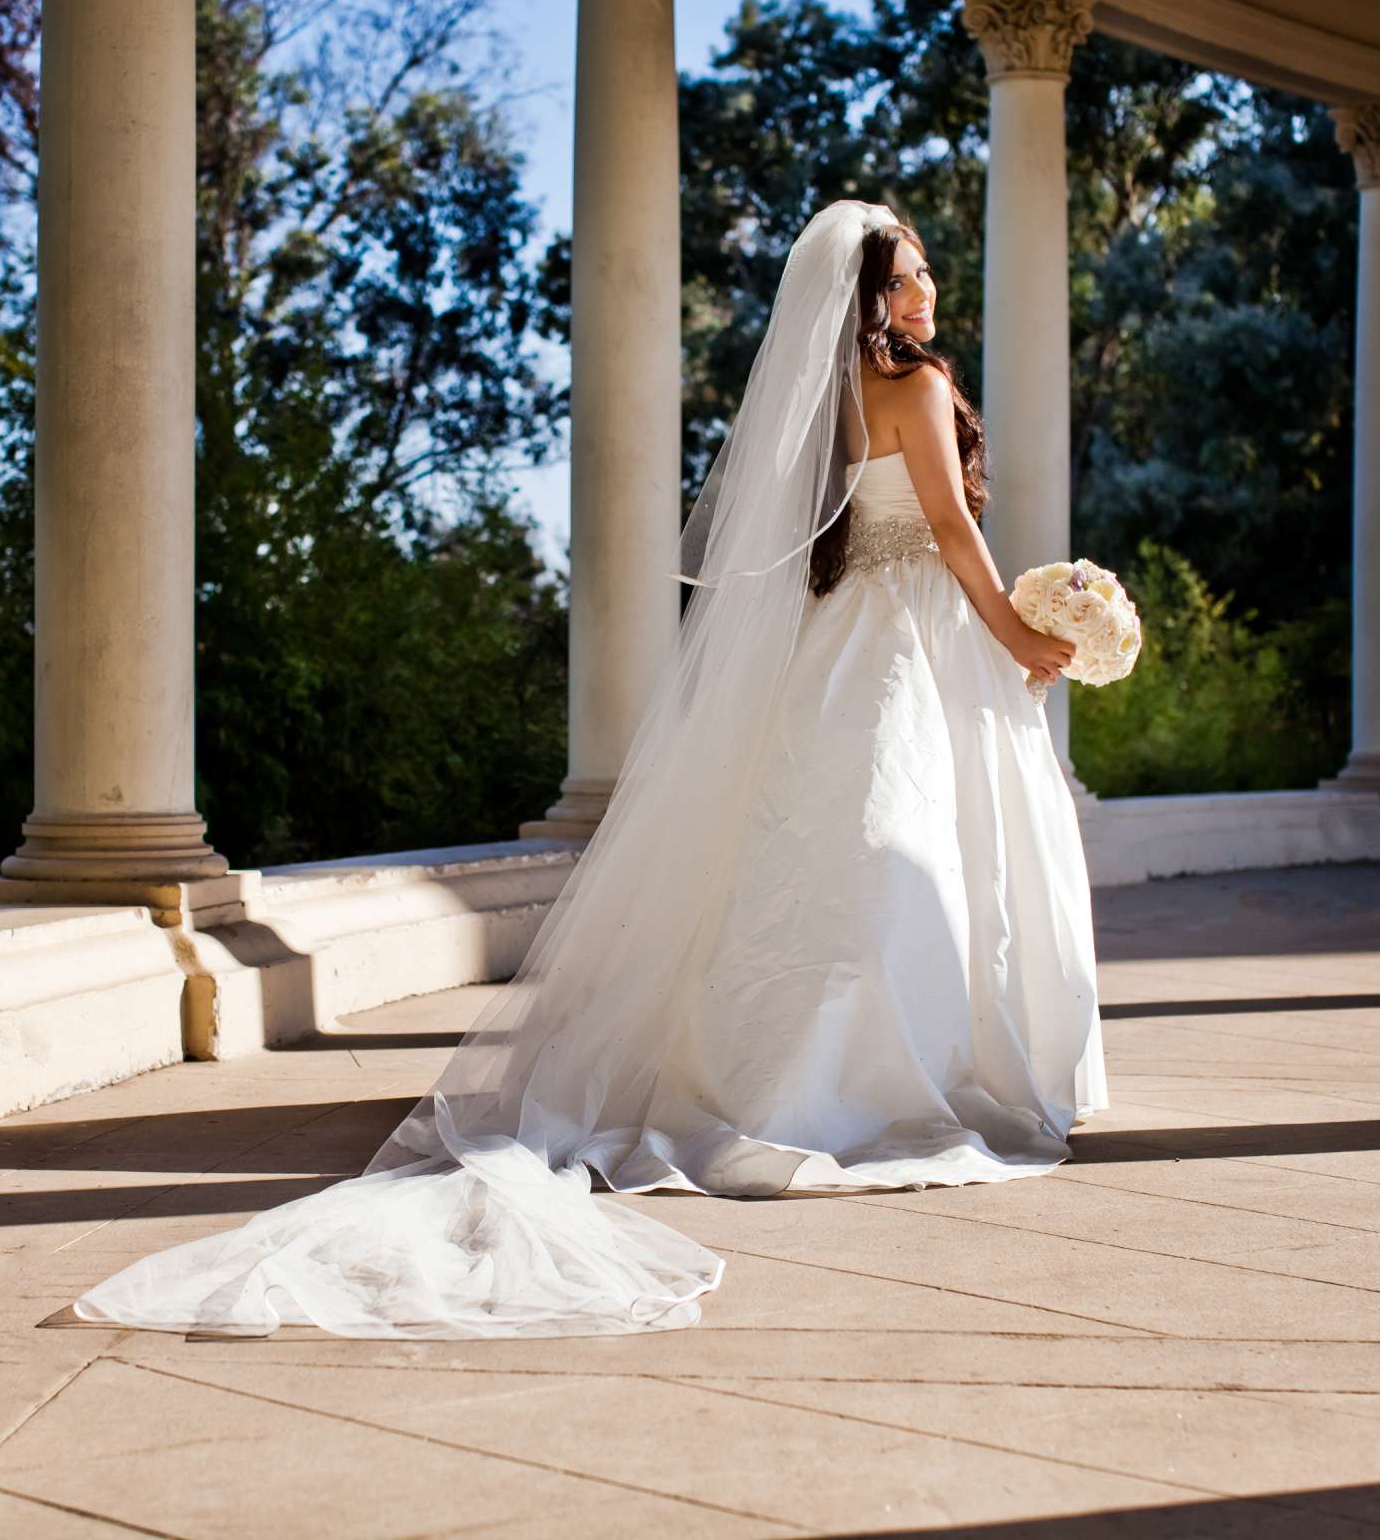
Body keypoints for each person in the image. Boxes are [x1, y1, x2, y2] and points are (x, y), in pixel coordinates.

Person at [72, 200, 1107, 1339]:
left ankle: (775, 1073)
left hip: (834, 647)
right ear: (866, 296)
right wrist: (1018, 637)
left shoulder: (821, 402)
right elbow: (955, 540)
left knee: (825, 846)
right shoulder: (913, 387)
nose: (925, 295)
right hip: (907, 641)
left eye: (923, 275)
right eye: (907, 278)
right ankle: (863, 1082)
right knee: (905, 851)